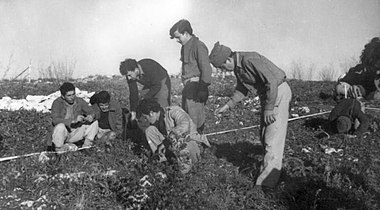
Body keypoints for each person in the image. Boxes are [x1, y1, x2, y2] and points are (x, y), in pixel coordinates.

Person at [210, 42, 292, 192]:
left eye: (222, 67)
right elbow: (242, 89)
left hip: (277, 93)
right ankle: (268, 170)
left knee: (272, 139)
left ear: (228, 60)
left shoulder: (249, 60)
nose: (224, 71)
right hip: (269, 96)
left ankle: (266, 185)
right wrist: (227, 105)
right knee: (265, 136)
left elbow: (272, 81)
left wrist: (268, 108)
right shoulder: (238, 67)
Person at [139, 99, 210, 174]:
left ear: (151, 113)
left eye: (145, 117)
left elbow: (185, 125)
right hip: (176, 148)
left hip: (192, 145)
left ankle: (183, 172)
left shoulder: (174, 111)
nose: (146, 120)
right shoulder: (157, 121)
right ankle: (164, 162)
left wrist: (168, 139)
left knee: (177, 138)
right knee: (150, 131)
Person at [169, 19, 212, 133]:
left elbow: (206, 70)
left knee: (195, 122)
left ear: (186, 33)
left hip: (196, 88)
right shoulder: (185, 47)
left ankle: (197, 147)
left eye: (178, 37)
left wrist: (202, 89)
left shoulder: (198, 46)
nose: (177, 40)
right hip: (188, 88)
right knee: (187, 119)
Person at [49, 82, 98, 152]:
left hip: (75, 131)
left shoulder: (79, 101)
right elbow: (55, 120)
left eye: (73, 94)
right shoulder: (57, 103)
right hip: (63, 133)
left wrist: (91, 116)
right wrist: (73, 120)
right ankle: (59, 149)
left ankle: (87, 146)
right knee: (60, 126)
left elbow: (91, 111)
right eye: (69, 95)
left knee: (95, 123)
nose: (72, 97)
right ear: (63, 96)